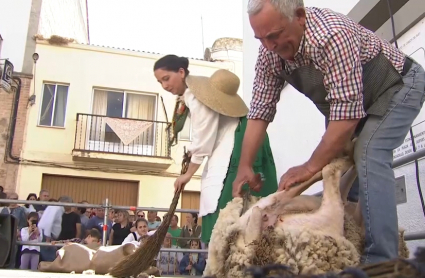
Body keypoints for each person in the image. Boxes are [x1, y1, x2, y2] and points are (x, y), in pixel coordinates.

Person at [232, 0, 425, 265]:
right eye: (260, 38)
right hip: (347, 105)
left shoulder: (331, 35)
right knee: (338, 174)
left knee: (369, 152)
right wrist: (245, 165)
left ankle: (381, 260)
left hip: (396, 86)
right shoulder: (270, 54)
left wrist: (309, 166)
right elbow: (260, 110)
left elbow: (347, 118)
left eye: (274, 36)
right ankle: (349, 243)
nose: (268, 46)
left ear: (299, 16)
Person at [153, 54, 278, 245]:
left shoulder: (197, 97)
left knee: (228, 200)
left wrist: (187, 174)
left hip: (238, 145)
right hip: (245, 138)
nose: (164, 85)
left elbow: (204, 140)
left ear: (180, 72)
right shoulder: (191, 96)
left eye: (166, 78)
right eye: (160, 81)